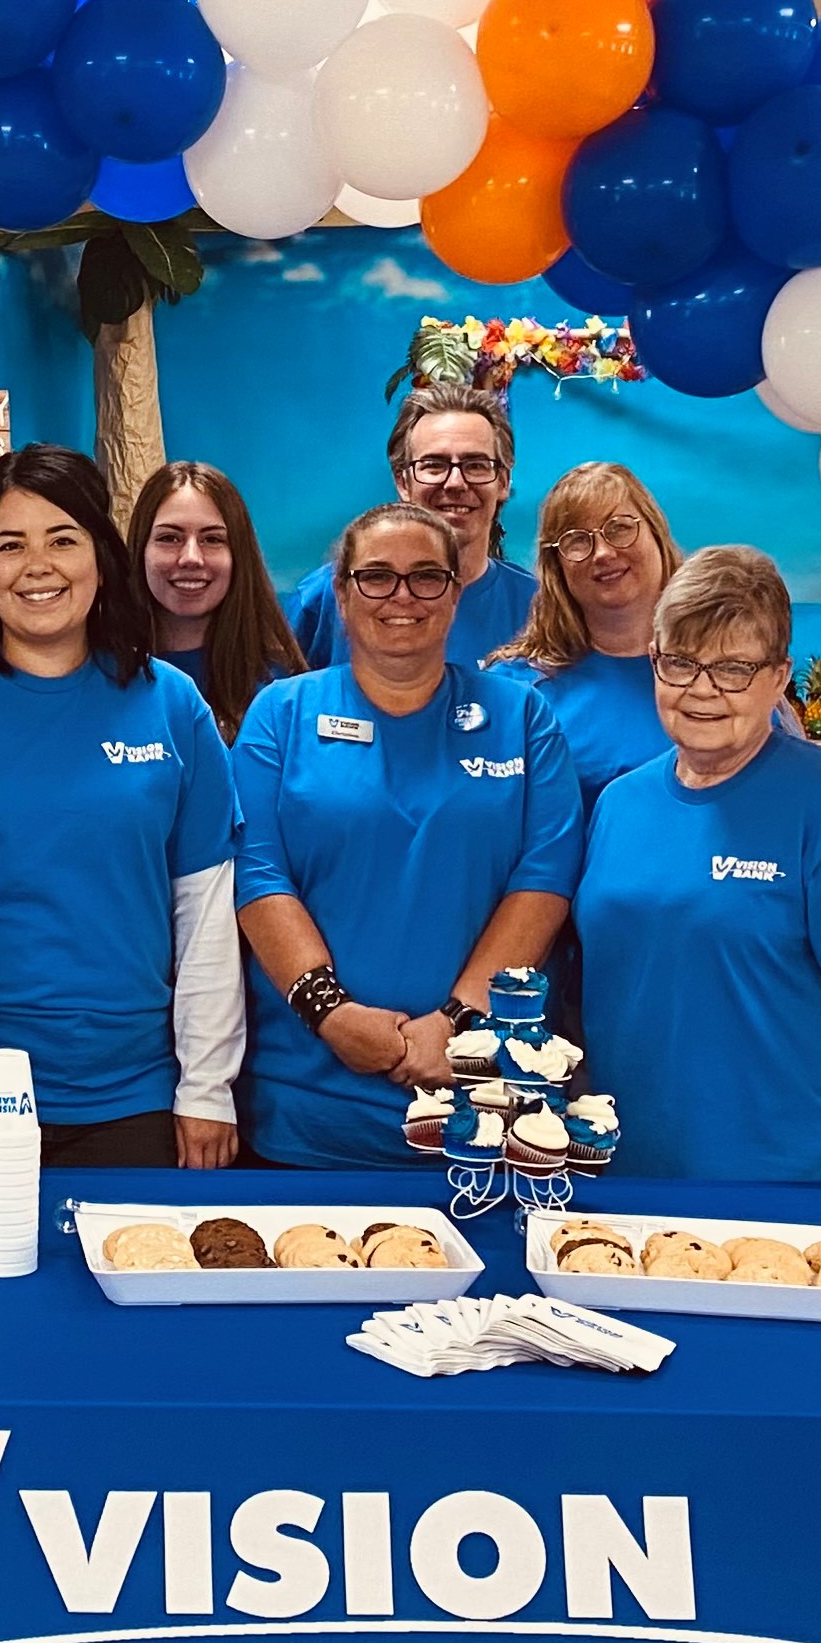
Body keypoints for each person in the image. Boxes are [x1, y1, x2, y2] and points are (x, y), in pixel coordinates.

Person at [0, 445, 244, 1169]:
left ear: (101, 555)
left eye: (62, 540)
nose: (37, 565)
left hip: (128, 1096)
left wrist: (207, 1088)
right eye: (10, 544)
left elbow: (207, 912)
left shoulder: (171, 705)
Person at [576, 547, 821, 1221]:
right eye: (679, 661)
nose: (702, 690)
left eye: (733, 668)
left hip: (789, 1179)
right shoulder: (619, 804)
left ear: (778, 679)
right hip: (626, 1172)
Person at [234, 505, 581, 1169]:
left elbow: (543, 880)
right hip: (305, 1108)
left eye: (426, 577)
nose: (401, 597)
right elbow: (258, 876)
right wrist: (329, 1013)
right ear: (340, 593)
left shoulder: (522, 717)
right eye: (376, 577)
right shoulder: (281, 715)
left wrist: (454, 1026)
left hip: (478, 1106)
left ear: (455, 592)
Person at [285, 383, 539, 669]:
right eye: (434, 465)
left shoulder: (540, 607)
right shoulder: (326, 598)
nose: (455, 483)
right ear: (403, 482)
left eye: (476, 465)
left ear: (503, 482)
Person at [490, 459, 684, 808]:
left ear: (656, 533)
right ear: (556, 568)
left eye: (620, 528)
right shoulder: (514, 689)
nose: (604, 553)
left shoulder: (723, 674)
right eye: (577, 541)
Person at [130, 459, 303, 741]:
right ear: (141, 549)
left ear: (238, 556)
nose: (190, 558)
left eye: (212, 540)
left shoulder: (279, 688)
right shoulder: (102, 674)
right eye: (170, 538)